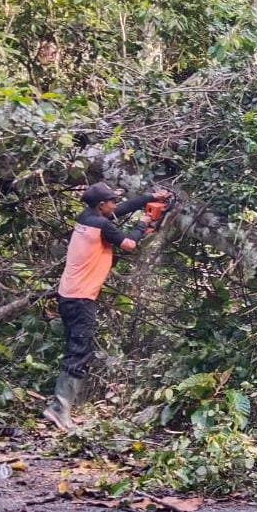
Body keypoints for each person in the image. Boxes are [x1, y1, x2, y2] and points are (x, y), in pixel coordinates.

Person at [43, 182, 171, 431]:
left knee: (75, 348)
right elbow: (129, 244)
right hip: (81, 298)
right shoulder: (101, 225)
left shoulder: (88, 217)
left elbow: (122, 209)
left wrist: (151, 197)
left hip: (68, 294)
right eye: (110, 201)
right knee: (79, 351)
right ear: (101, 205)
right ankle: (59, 409)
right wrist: (142, 223)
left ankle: (60, 406)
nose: (114, 204)